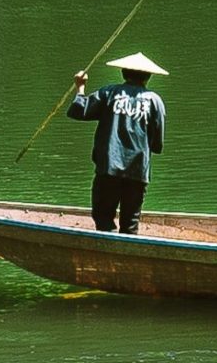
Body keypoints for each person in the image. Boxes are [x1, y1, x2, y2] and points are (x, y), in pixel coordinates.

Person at [65, 51, 167, 233]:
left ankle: (106, 252)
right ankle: (126, 255)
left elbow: (78, 111)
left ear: (123, 73)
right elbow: (157, 145)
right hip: (138, 171)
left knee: (103, 217)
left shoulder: (109, 93)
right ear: (148, 77)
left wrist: (80, 87)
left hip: (108, 167)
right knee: (130, 223)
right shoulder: (155, 101)